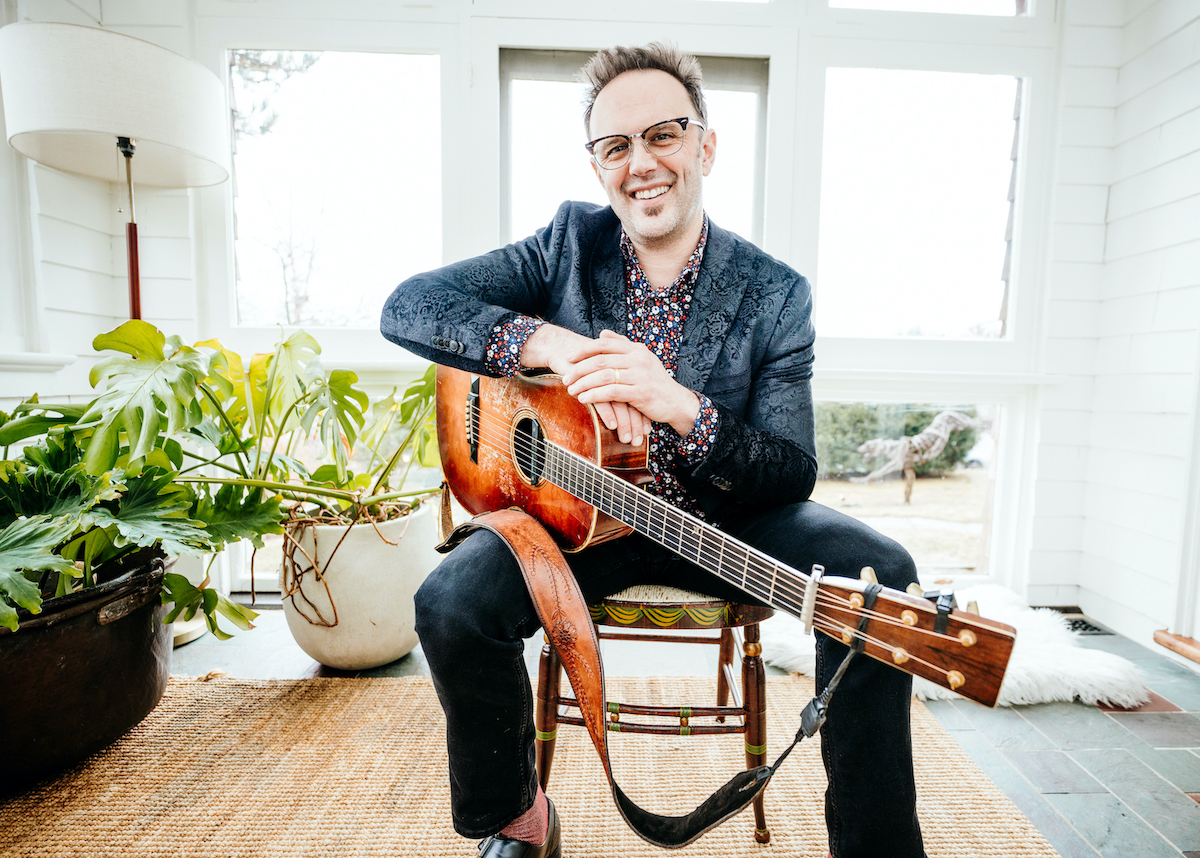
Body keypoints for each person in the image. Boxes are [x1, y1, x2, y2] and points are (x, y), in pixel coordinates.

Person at [380, 42, 926, 858]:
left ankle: (876, 847)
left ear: (705, 147)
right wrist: (556, 349)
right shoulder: (565, 245)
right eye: (616, 146)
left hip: (727, 525)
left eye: (663, 135)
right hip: (577, 520)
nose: (642, 164)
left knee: (881, 577)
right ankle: (518, 818)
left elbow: (791, 468)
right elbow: (410, 306)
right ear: (599, 165)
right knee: (449, 603)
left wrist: (676, 405)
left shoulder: (775, 293)